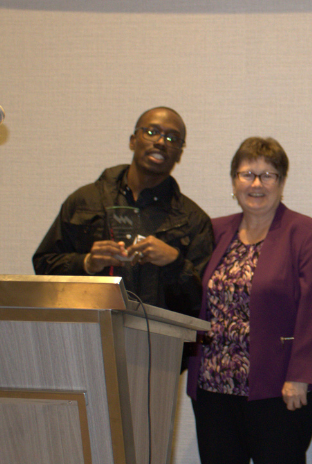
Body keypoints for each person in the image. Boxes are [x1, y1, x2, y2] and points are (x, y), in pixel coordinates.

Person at [186, 137, 312, 464]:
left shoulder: (306, 233)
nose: (256, 183)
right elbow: (187, 297)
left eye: (267, 174)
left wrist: (301, 374)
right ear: (233, 181)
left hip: (279, 392)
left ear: (282, 182)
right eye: (247, 173)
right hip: (213, 389)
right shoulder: (212, 231)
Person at [33, 106, 212, 317]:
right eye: (152, 132)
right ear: (133, 140)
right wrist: (87, 263)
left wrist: (175, 263)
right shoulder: (85, 200)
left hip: (157, 343)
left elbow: (199, 304)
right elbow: (44, 267)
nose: (161, 142)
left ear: (179, 154)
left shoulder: (193, 220)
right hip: (85, 335)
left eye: (173, 138)